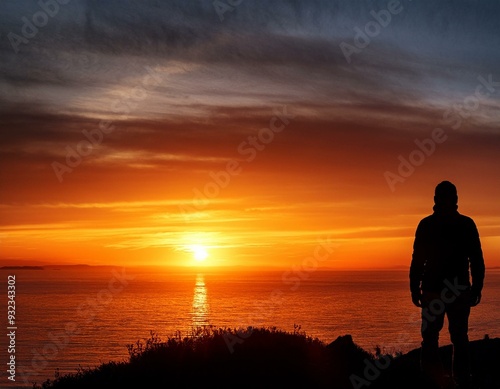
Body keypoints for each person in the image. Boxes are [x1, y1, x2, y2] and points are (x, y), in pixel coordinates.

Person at [410, 181, 485, 389]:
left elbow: (418, 260)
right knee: (459, 337)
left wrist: (415, 288)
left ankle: (433, 382)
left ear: (435, 200)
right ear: (457, 200)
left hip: (434, 290)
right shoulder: (466, 224)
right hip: (458, 290)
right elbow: (476, 259)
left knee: (432, 338)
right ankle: (461, 380)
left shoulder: (426, 225)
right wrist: (477, 286)